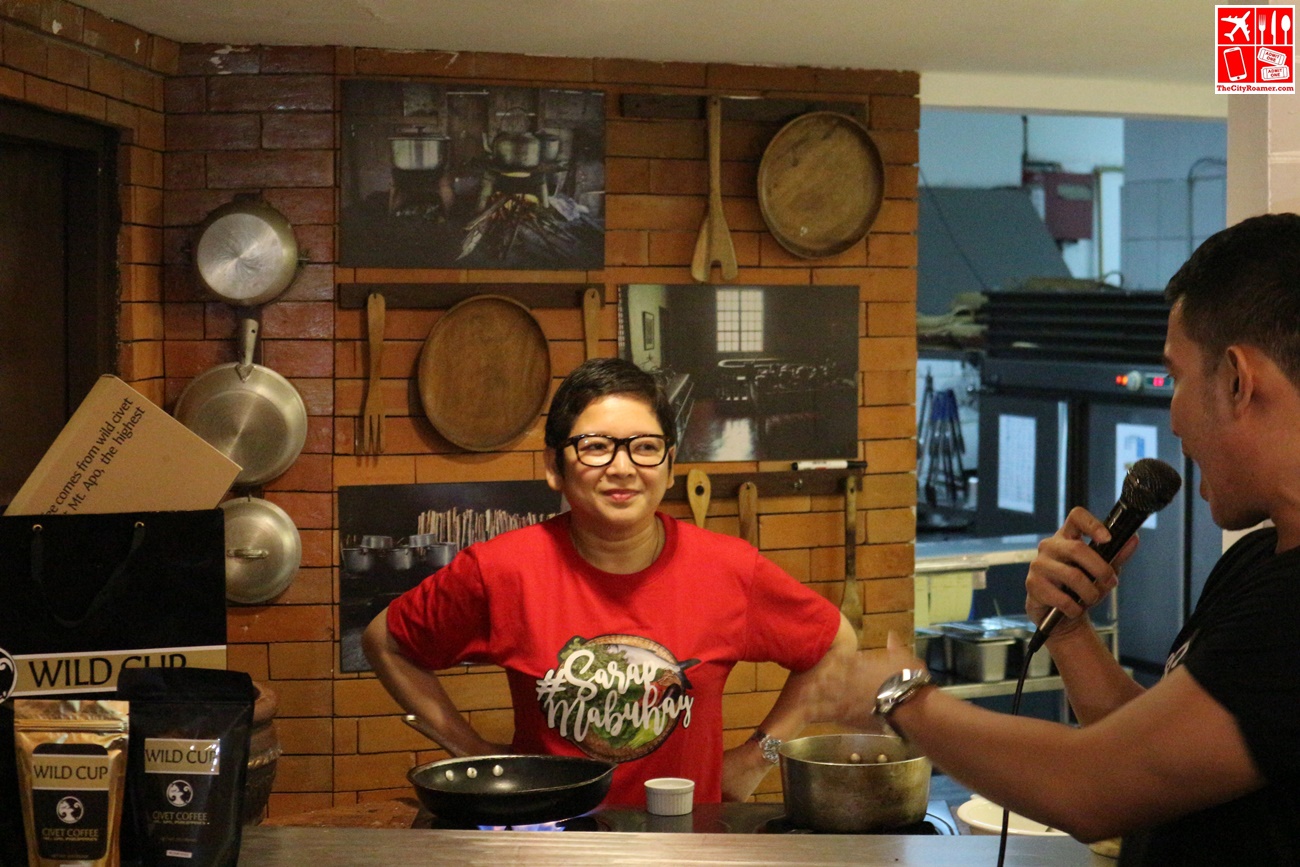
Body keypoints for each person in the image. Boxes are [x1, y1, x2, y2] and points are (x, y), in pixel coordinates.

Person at [853, 212, 1300, 865]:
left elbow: (1089, 786)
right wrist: (1069, 632)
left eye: (1175, 374)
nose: (1172, 413)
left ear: (1237, 378)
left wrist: (899, 697)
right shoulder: (1261, 562)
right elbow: (1152, 756)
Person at [363, 357, 860, 805]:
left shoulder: (730, 569)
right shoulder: (501, 570)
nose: (622, 468)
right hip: (550, 840)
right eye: (595, 447)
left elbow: (836, 643)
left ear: (669, 466)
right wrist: (470, 751)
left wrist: (758, 758)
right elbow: (387, 641)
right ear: (554, 467)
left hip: (686, 845)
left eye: (645, 447)